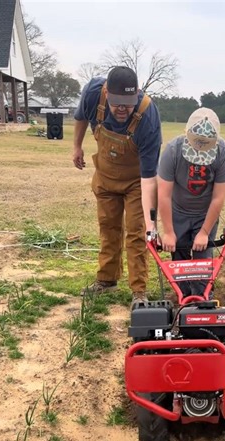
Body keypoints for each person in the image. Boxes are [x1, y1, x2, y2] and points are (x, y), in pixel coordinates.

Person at [73, 66, 162, 304]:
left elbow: (149, 176)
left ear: (137, 94)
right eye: (117, 103)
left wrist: (151, 223)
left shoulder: (147, 115)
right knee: (108, 227)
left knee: (136, 232)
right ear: (106, 92)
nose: (122, 109)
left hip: (136, 182)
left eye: (128, 103)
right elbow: (81, 117)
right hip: (105, 176)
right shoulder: (93, 92)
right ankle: (107, 280)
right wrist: (77, 147)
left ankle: (139, 292)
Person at [157, 107, 225, 298]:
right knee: (179, 256)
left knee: (202, 261)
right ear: (186, 135)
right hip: (178, 211)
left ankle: (201, 298)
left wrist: (205, 232)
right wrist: (168, 232)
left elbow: (218, 197)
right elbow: (164, 194)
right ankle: (182, 298)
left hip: (205, 214)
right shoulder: (173, 151)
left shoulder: (223, 153)